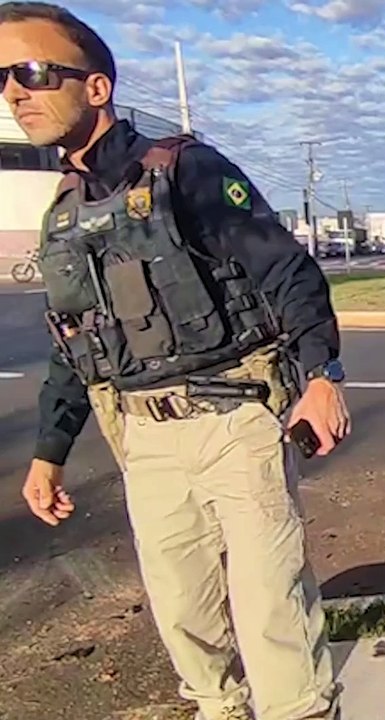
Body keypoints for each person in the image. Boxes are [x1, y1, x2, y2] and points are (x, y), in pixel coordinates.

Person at [4, 4, 348, 718]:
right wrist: (49, 452)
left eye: (33, 72)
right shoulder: (64, 213)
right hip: (146, 441)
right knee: (183, 614)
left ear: (96, 88)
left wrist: (320, 377)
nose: (14, 92)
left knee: (269, 608)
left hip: (234, 422)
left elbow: (288, 272)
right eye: (3, 78)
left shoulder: (185, 171)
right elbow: (74, 342)